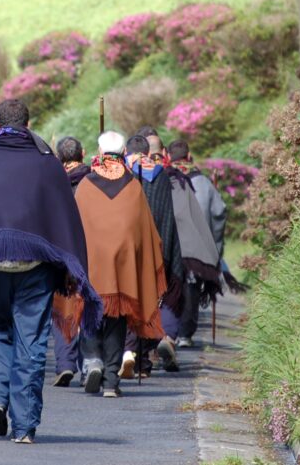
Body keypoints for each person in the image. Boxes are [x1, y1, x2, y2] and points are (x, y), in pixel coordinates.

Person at [0, 99, 101, 444]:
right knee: (31, 342)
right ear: (29, 123)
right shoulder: (47, 164)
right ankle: (24, 426)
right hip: (36, 266)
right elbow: (65, 219)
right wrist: (69, 268)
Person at [74, 131, 167, 398]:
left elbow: (75, 227)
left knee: (91, 313)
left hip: (93, 264)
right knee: (117, 321)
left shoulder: (86, 185)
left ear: (100, 152)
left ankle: (93, 360)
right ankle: (112, 381)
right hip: (124, 267)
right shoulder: (133, 186)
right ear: (123, 151)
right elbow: (145, 232)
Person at [122, 134, 183, 377]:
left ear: (127, 151)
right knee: (150, 303)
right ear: (148, 152)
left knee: (129, 301)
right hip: (157, 247)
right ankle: (144, 362)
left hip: (130, 246)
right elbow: (168, 215)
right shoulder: (161, 176)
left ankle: (130, 353)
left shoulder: (123, 174)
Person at [164, 140, 224, 348]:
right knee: (192, 286)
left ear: (168, 156)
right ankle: (185, 334)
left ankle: (168, 331)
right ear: (189, 157)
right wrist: (215, 249)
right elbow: (218, 214)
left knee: (171, 286)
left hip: (171, 244)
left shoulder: (165, 179)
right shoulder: (205, 183)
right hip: (198, 247)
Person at [50, 136, 89, 387]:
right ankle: (88, 364)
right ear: (83, 154)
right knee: (86, 306)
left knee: (63, 305)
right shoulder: (92, 180)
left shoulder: (55, 183)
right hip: (87, 250)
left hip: (62, 250)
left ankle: (65, 363)